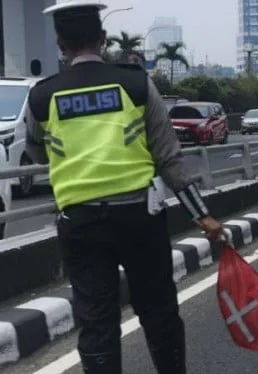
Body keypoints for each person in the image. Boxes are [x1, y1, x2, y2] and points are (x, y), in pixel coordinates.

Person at [26, 2, 224, 372]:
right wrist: (203, 215)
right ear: (102, 39)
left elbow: (35, 150)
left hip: (80, 223)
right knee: (159, 312)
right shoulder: (135, 83)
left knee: (96, 322)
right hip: (139, 220)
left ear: (59, 44)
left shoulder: (41, 95)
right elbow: (169, 158)